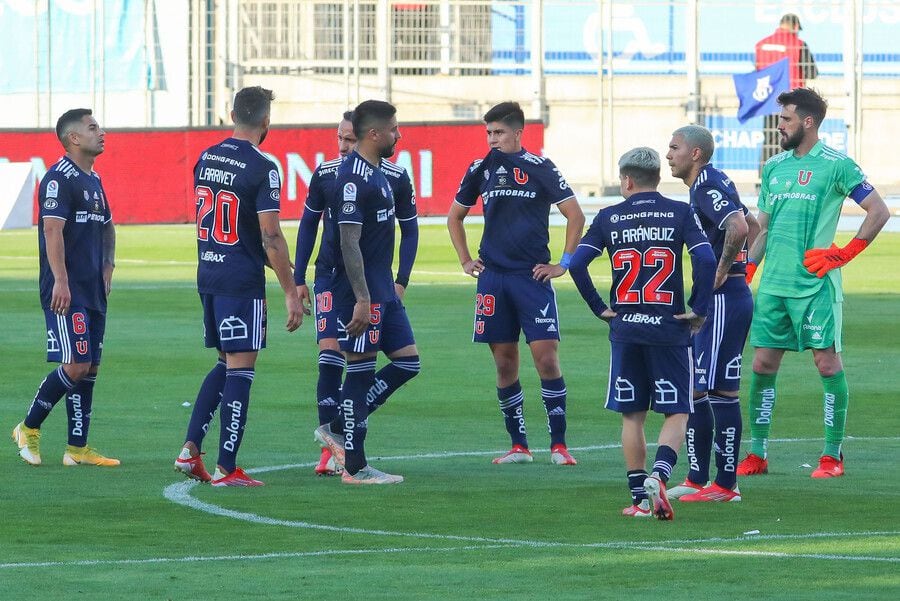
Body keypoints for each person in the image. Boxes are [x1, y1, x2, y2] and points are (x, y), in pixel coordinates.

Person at [739, 87, 890, 479]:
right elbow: (764, 229)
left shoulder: (837, 165)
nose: (779, 125)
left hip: (815, 286)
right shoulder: (774, 168)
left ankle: (831, 457)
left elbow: (879, 210)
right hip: (774, 286)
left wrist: (843, 253)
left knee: (826, 364)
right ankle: (757, 453)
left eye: (786, 118)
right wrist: (749, 269)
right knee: (762, 363)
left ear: (808, 122)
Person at [568, 147, 716, 520]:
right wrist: (698, 309)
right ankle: (661, 476)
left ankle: (639, 500)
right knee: (678, 412)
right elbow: (706, 258)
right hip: (669, 328)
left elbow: (578, 263)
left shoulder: (608, 216)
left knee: (632, 416)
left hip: (626, 327)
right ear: (656, 178)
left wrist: (599, 307)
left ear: (628, 180)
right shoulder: (680, 212)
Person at [174, 86, 303, 487]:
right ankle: (227, 467)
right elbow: (269, 236)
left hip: (209, 274)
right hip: (240, 281)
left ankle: (190, 450)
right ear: (266, 122)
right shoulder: (264, 166)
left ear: (232, 114)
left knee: (224, 363)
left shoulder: (206, 156)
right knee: (242, 369)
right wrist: (290, 288)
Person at [447, 101, 585, 465]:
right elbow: (454, 217)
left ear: (518, 133)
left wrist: (563, 264)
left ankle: (559, 445)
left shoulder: (540, 167)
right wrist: (465, 259)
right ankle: (519, 445)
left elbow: (575, 215)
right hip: (492, 279)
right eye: (489, 133)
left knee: (546, 359)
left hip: (531, 277)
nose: (493, 140)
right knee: (505, 363)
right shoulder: (479, 168)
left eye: (500, 133)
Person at [294, 111, 419, 476]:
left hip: (380, 285)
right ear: (375, 134)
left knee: (408, 361)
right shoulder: (343, 177)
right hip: (344, 282)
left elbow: (408, 232)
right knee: (345, 362)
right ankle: (353, 463)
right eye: (394, 129)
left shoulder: (387, 175)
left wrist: (400, 280)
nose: (343, 146)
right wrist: (302, 275)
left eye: (348, 139)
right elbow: (340, 238)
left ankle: (336, 428)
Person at [11, 109, 119, 468]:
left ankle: (77, 448)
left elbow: (108, 227)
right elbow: (52, 231)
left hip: (93, 288)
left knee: (91, 368)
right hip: (66, 291)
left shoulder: (94, 179)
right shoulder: (59, 179)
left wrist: (108, 265)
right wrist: (60, 279)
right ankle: (28, 427)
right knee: (76, 364)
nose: (100, 132)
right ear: (74, 138)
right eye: (92, 127)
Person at [665, 125, 758, 503]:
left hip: (723, 300)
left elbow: (737, 226)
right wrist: (742, 265)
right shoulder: (710, 181)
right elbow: (751, 225)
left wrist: (724, 271)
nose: (668, 154)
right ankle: (699, 476)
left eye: (674, 147)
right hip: (722, 298)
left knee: (719, 390)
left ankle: (726, 484)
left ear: (696, 154)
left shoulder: (705, 185)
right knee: (698, 387)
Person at [755, 13, 818, 175]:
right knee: (792, 138)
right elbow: (812, 72)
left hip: (769, 99)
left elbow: (758, 70)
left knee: (769, 138)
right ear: (795, 27)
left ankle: (764, 177)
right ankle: (787, 175)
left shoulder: (762, 44)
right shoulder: (798, 44)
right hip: (792, 102)